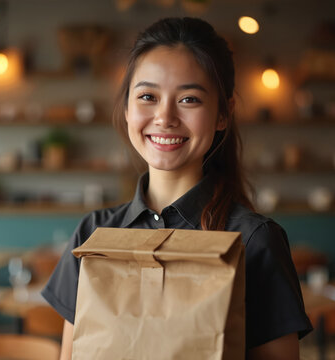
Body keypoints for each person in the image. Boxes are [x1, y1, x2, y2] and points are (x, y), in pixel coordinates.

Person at [41, 17, 312, 359]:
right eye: (148, 96)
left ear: (223, 114)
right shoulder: (93, 234)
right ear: (127, 108)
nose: (165, 117)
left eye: (189, 100)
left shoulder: (255, 240)